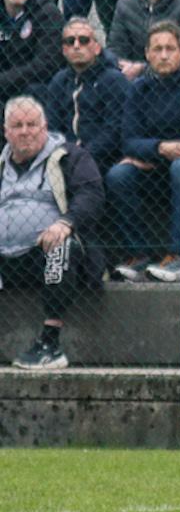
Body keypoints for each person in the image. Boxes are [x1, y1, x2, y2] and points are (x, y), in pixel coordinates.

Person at [106, 21, 180, 283]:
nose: (163, 55)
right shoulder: (139, 88)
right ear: (147, 53)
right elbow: (128, 140)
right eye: (157, 49)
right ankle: (138, 256)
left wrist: (158, 151)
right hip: (158, 166)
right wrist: (159, 148)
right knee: (119, 174)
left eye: (170, 48)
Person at [1, 96, 106, 371]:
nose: (25, 131)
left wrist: (64, 223)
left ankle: (50, 344)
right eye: (17, 125)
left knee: (62, 248)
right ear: (6, 131)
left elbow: (91, 194)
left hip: (45, 255)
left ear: (44, 127)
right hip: (5, 260)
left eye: (32, 124)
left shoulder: (69, 156)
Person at [43, 19, 127, 170]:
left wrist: (82, 156)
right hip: (63, 157)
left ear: (97, 47)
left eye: (83, 40)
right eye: (70, 41)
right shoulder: (59, 81)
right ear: (64, 50)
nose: (76, 46)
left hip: (102, 158)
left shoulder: (113, 80)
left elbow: (114, 129)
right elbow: (53, 127)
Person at [0, 0, 65, 102]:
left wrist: (3, 80)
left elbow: (46, 65)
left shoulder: (48, 13)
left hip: (32, 87)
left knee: (35, 90)